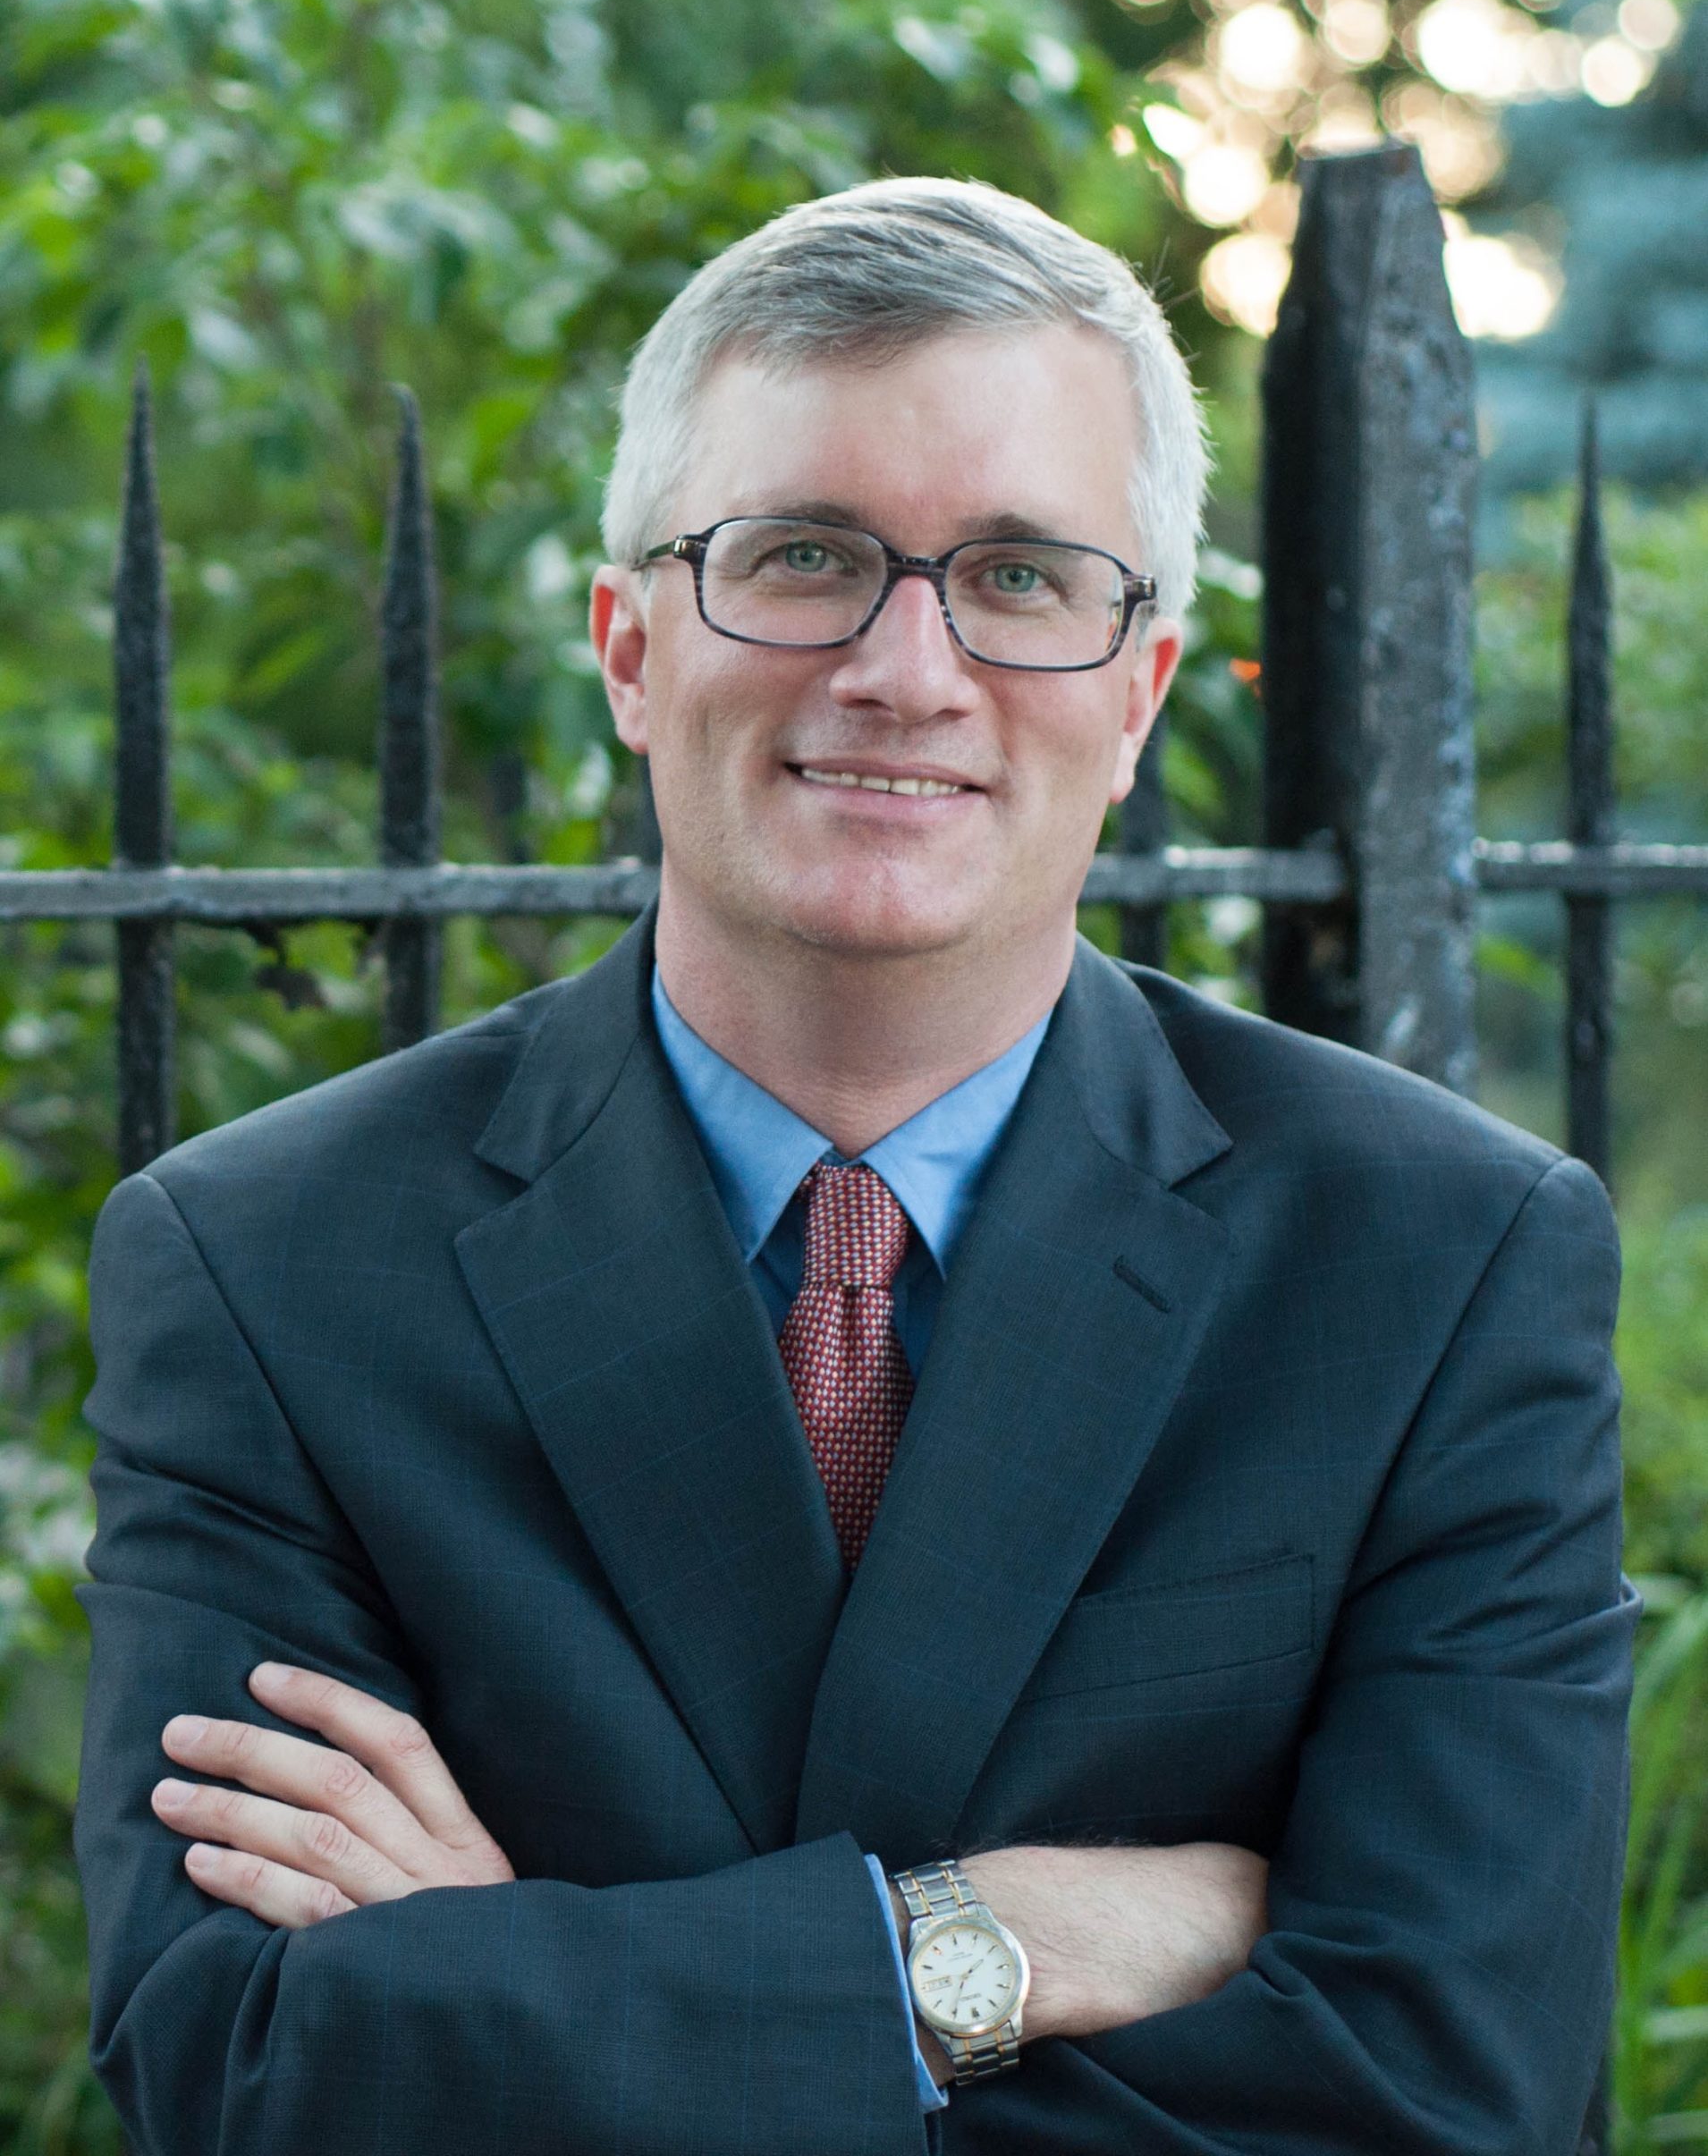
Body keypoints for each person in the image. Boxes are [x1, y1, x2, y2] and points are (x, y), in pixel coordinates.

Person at [74, 177, 1635, 2155]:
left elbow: (1445, 2095)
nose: (906, 669)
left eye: (1018, 574)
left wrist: (517, 1976)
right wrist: (989, 1942)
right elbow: (247, 2069)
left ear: (1138, 686)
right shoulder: (265, 1268)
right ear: (632, 648)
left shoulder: (1438, 1258)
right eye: (803, 554)